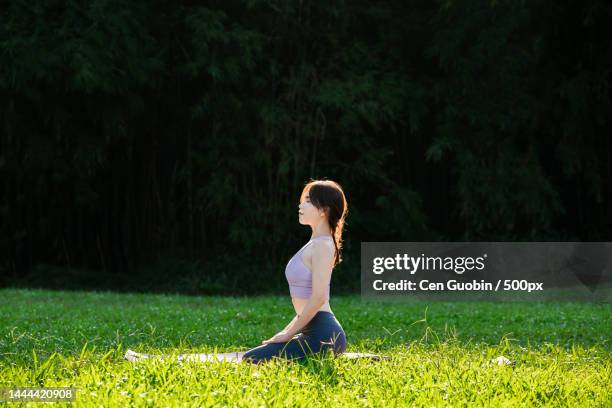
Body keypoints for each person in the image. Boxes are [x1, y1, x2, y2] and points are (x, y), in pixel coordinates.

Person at [124, 179, 348, 364]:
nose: (300, 206)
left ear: (323, 210)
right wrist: (289, 332)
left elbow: (319, 297)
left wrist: (288, 333)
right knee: (252, 356)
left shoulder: (322, 245)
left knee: (250, 360)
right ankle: (158, 359)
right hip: (315, 332)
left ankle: (159, 362)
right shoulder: (316, 243)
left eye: (307, 201)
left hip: (323, 334)